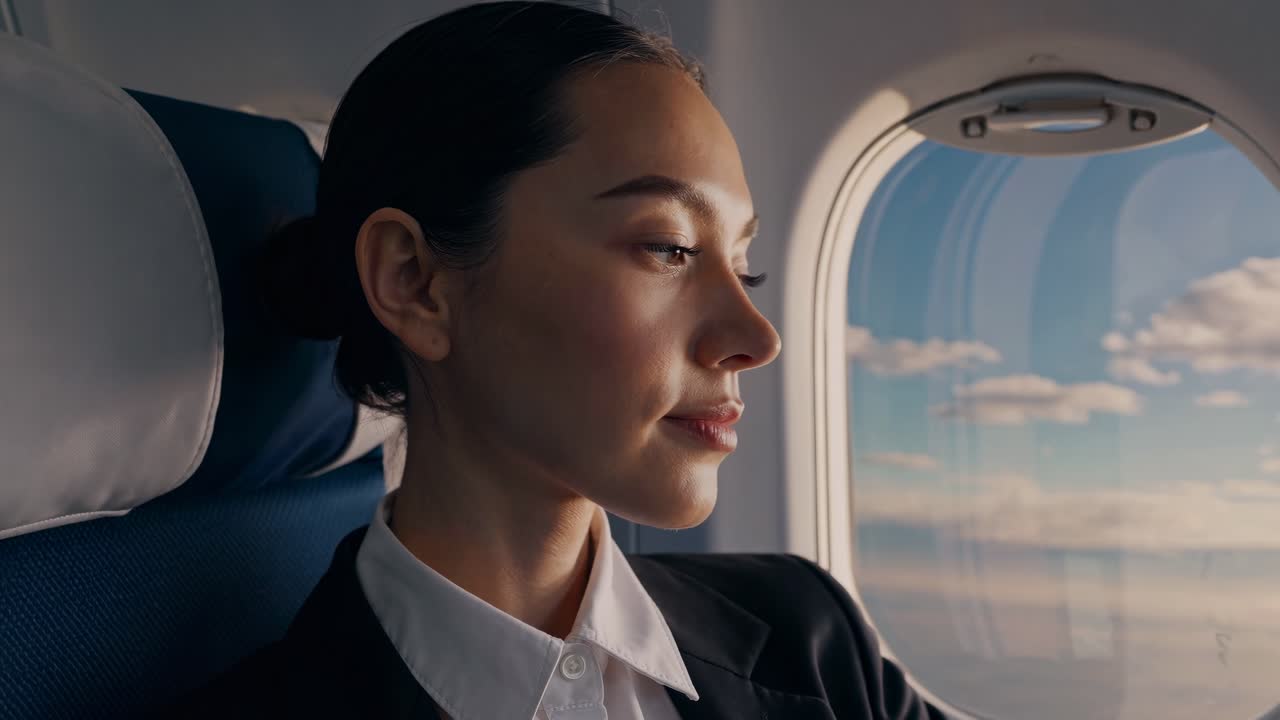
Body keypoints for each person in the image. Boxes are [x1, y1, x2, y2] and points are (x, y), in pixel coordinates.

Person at [162, 2, 947, 718]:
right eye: (668, 246)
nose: (758, 336)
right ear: (416, 283)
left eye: (745, 267)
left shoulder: (811, 637)